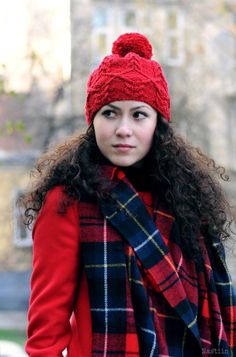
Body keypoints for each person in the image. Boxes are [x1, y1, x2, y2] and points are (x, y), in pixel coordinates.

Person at [22, 33, 236, 356]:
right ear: (92, 120)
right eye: (109, 113)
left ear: (157, 124)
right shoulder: (66, 203)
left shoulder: (185, 201)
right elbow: (45, 338)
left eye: (138, 114)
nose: (124, 129)